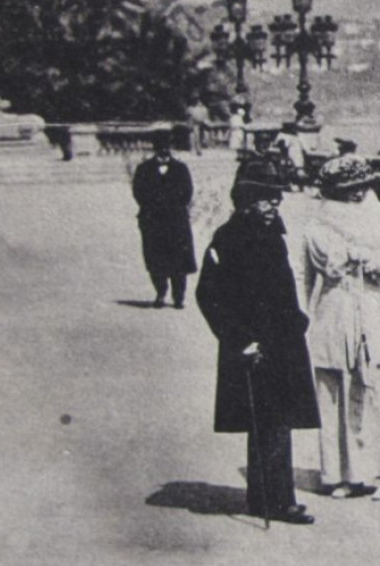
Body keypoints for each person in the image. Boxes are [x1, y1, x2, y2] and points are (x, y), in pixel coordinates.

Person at [195, 160, 319, 525]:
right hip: (254, 346)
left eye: (276, 199)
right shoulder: (228, 239)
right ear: (247, 200)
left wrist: (297, 320)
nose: (273, 206)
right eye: (266, 199)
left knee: (278, 422)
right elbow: (209, 295)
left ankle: (270, 498)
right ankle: (272, 501)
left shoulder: (272, 233)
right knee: (267, 422)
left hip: (283, 342)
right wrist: (240, 340)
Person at [303, 154, 380, 501]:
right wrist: (301, 318)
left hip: (371, 308)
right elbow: (305, 278)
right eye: (349, 190)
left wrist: (372, 260)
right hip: (334, 311)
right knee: (334, 391)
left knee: (378, 390)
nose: (357, 195)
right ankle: (346, 473)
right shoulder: (316, 226)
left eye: (361, 188)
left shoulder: (379, 218)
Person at [131, 131, 197, 309]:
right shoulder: (143, 169)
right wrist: (153, 207)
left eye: (167, 147)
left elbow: (187, 193)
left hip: (176, 221)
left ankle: (179, 297)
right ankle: (160, 293)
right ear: (155, 149)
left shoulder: (181, 169)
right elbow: (138, 193)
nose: (164, 151)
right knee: (155, 259)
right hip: (153, 220)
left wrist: (172, 206)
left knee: (179, 259)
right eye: (160, 148)